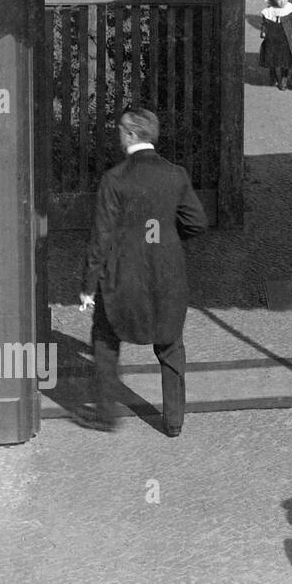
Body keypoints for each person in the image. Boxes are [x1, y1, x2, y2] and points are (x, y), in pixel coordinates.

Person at [79, 108, 209, 436]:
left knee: (105, 341)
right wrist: (167, 237)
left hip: (122, 277)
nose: (118, 135)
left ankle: (108, 415)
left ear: (133, 135)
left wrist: (88, 285)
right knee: (170, 345)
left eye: (121, 130)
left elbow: (101, 237)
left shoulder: (114, 179)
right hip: (167, 274)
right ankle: (174, 421)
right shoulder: (175, 174)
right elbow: (197, 222)